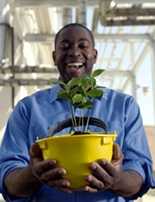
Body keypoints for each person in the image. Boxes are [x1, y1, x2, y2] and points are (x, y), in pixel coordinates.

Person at [0, 23, 154, 202]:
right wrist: (32, 174)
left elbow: (139, 171)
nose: (74, 52)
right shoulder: (27, 109)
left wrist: (118, 180)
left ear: (94, 55)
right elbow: (8, 176)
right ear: (54, 56)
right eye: (65, 46)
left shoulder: (124, 106)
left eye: (83, 46)